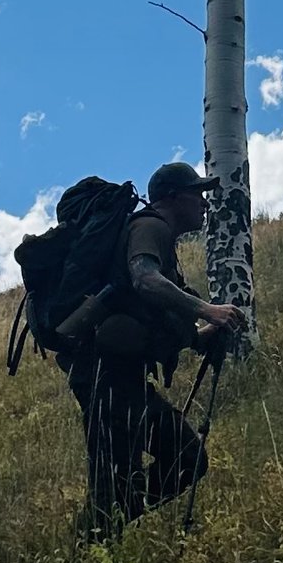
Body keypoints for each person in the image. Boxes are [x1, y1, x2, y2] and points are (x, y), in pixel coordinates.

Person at [69, 159, 244, 529]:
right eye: (198, 193)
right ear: (173, 196)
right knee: (130, 477)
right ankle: (97, 532)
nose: (204, 202)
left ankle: (106, 523)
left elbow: (150, 317)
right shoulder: (150, 226)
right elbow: (144, 280)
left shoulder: (158, 235)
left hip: (121, 380)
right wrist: (207, 309)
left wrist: (199, 337)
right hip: (108, 381)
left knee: (182, 460)